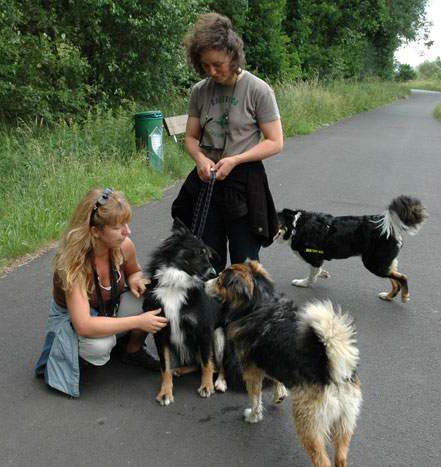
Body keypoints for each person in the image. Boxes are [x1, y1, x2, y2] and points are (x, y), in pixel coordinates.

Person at [172, 12, 283, 272]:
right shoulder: (200, 91)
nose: (212, 71)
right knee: (208, 259)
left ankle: (248, 312)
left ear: (234, 56)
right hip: (207, 181)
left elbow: (275, 141)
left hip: (244, 181)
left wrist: (235, 159)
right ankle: (212, 311)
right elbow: (190, 137)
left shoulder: (258, 90)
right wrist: (199, 158)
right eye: (205, 65)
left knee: (245, 264)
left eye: (218, 64)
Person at [35, 188, 168, 397]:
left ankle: (132, 350)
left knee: (153, 298)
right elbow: (84, 324)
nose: (127, 232)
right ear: (95, 231)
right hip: (74, 319)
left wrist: (135, 280)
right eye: (118, 227)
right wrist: (138, 322)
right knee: (99, 346)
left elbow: (135, 271)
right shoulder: (73, 265)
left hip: (108, 307)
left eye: (127, 224)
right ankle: (71, 355)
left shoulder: (124, 246)